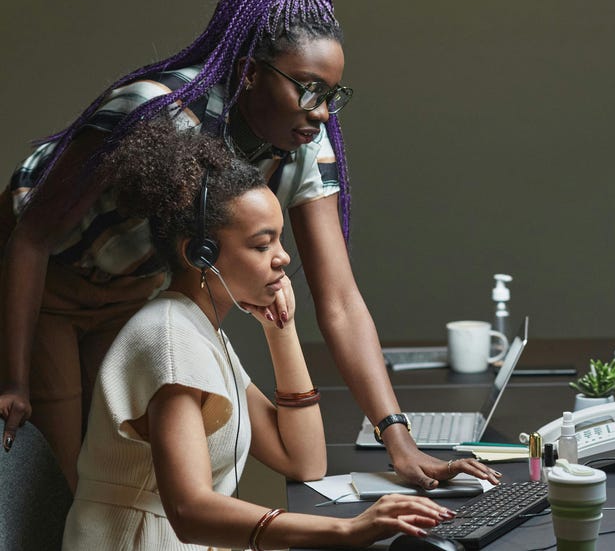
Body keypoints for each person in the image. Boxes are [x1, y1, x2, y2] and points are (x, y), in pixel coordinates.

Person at [0, 0, 498, 492]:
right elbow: (30, 237)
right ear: (250, 73)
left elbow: (341, 300)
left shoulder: (305, 142)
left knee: (118, 477)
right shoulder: (154, 111)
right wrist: (13, 379)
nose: (322, 112)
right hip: (48, 284)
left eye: (331, 95)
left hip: (132, 296)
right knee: (63, 487)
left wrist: (398, 440)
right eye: (307, 88)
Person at [62, 119, 456, 550]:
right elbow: (190, 512)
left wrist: (281, 331)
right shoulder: (170, 341)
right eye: (261, 244)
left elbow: (304, 462)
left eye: (279, 239)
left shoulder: (198, 330)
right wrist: (347, 529)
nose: (283, 258)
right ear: (200, 254)